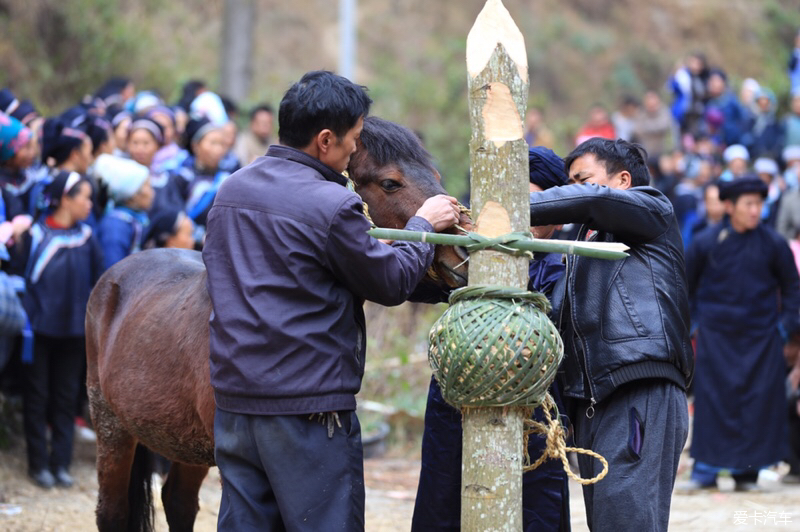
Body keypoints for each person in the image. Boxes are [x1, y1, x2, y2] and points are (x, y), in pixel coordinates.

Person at [202, 70, 460, 531]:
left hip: (237, 407)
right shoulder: (332, 205)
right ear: (325, 140)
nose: (353, 152)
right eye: (353, 139)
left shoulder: (231, 191)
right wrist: (421, 224)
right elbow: (391, 282)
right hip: (308, 410)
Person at [528, 137, 693, 531]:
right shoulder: (580, 250)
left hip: (639, 388)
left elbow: (594, 201)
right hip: (593, 402)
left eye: (580, 180)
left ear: (622, 180)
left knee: (627, 523)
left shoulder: (654, 210)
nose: (571, 191)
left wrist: (506, 209)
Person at [411, 146, 570, 532]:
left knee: (537, 507)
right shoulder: (467, 254)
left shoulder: (566, 264)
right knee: (442, 502)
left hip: (533, 403)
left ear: (559, 214)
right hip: (457, 399)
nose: (520, 214)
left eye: (533, 203)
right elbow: (408, 283)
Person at [683, 176, 800, 492]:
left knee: (756, 406)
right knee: (712, 403)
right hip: (716, 337)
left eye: (759, 204)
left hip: (761, 338)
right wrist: (693, 324)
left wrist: (786, 327)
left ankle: (746, 474)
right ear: (729, 206)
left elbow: (791, 286)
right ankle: (704, 473)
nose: (755, 211)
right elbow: (685, 286)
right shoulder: (707, 242)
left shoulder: (773, 243)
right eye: (749, 204)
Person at [20, 171, 103, 489]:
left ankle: (60, 464)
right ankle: (37, 464)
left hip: (74, 332)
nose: (89, 203)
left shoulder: (87, 238)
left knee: (66, 397)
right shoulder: (35, 235)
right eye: (84, 196)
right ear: (65, 198)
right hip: (37, 331)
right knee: (37, 396)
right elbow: (20, 277)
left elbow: (99, 281)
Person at [95, 155, 153, 269]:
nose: (152, 192)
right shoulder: (115, 227)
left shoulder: (136, 218)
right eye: (147, 186)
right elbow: (113, 272)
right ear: (133, 194)